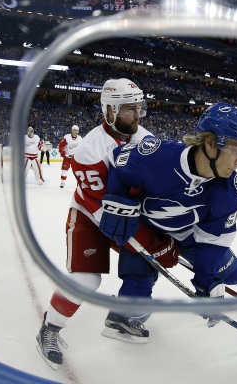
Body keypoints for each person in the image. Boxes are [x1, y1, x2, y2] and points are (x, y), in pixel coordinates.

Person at [98, 102, 237, 343]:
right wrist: (118, 200)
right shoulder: (156, 156)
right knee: (139, 273)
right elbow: (118, 163)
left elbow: (212, 243)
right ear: (210, 142)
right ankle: (126, 317)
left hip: (190, 234)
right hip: (147, 227)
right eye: (235, 149)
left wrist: (206, 282)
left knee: (226, 267)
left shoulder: (230, 192)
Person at [35, 78, 153, 369]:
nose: (137, 115)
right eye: (129, 109)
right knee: (87, 279)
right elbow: (95, 200)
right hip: (89, 214)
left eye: (139, 108)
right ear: (109, 111)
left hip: (126, 215)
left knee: (147, 262)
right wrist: (130, 232)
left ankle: (122, 317)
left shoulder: (145, 139)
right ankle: (48, 331)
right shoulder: (90, 148)